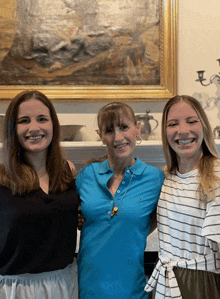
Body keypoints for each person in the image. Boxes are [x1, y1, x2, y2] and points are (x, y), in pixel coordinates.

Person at [76, 102, 165, 299]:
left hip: (132, 289)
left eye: (124, 127)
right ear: (101, 135)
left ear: (137, 129)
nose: (118, 137)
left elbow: (155, 220)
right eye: (109, 130)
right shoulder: (86, 175)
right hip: (89, 288)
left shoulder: (155, 179)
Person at [0, 90, 79, 299]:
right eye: (24, 121)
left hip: (65, 284)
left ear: (53, 125)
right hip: (15, 290)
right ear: (12, 129)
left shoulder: (67, 171)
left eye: (42, 119)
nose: (34, 128)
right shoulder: (2, 178)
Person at [145, 95, 220, 299]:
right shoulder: (167, 177)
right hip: (166, 281)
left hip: (201, 283)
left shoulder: (216, 175)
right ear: (165, 132)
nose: (183, 131)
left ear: (204, 126)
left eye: (192, 121)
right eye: (173, 124)